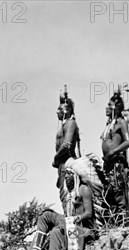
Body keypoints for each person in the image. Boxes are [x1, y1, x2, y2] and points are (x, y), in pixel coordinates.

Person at [26, 159, 99, 250]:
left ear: (76, 175)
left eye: (70, 173)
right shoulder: (67, 192)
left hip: (80, 226)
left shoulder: (83, 189)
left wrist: (78, 218)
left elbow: (89, 213)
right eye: (66, 173)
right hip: (67, 221)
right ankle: (36, 247)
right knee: (46, 215)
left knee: (55, 232)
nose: (67, 176)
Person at [100, 88, 129, 227]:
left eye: (109, 105)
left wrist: (113, 153)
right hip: (108, 165)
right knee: (110, 195)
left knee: (119, 195)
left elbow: (128, 141)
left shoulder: (121, 122)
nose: (106, 107)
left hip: (117, 164)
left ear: (116, 108)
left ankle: (125, 227)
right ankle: (114, 226)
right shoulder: (109, 124)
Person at [53, 86, 81, 214]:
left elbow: (67, 145)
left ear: (67, 110)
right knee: (65, 197)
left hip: (68, 163)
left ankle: (72, 226)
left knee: (69, 197)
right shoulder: (66, 124)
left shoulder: (70, 123)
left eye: (60, 109)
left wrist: (56, 158)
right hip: (63, 165)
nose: (57, 111)